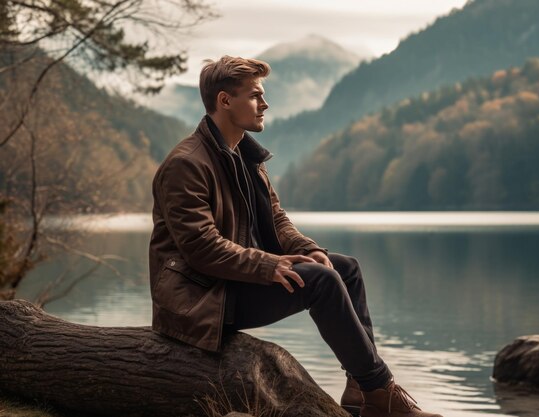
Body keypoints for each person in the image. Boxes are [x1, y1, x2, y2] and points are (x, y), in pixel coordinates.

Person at [149, 56, 443, 417]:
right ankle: (382, 392)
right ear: (225, 101)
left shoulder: (246, 158)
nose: (265, 104)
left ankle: (359, 390)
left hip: (233, 281)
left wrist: (308, 249)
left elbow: (277, 221)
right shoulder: (187, 163)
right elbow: (201, 247)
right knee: (320, 281)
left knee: (344, 268)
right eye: (255, 95)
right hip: (201, 297)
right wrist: (269, 264)